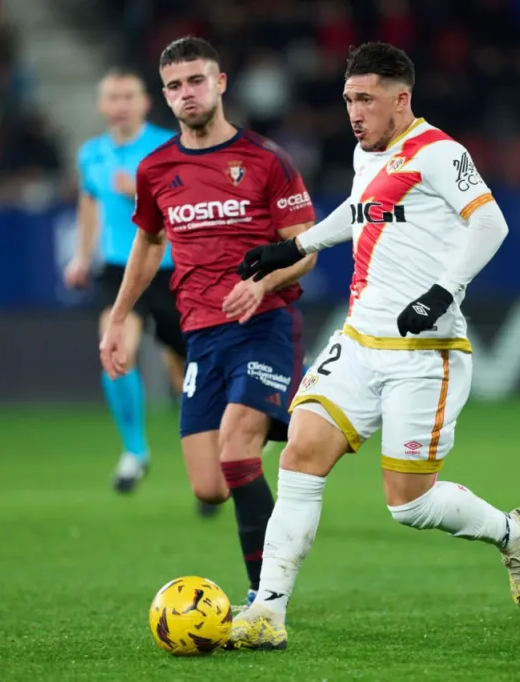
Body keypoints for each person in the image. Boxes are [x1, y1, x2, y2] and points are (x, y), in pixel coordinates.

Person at [227, 42, 520, 650]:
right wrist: (296, 248)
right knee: (299, 456)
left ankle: (511, 532)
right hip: (359, 338)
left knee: (408, 504)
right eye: (349, 99)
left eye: (366, 99)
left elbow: (490, 222)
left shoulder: (440, 153)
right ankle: (268, 610)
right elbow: (360, 209)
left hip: (427, 352)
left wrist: (443, 292)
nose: (354, 112)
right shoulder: (364, 152)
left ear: (401, 99)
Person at [99, 36, 317, 606]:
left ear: (220, 83)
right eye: (174, 85)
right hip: (201, 334)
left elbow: (308, 249)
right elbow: (146, 245)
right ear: (164, 97)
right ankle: (277, 424)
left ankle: (265, 601)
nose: (185, 93)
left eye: (196, 80)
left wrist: (262, 282)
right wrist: (118, 317)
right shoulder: (156, 168)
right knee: (210, 486)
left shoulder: (267, 159)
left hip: (265, 322)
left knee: (238, 452)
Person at [65, 68, 189, 497]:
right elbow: (88, 201)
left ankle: (211, 459)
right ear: (102, 106)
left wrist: (140, 193)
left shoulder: (167, 146)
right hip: (122, 267)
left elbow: (189, 204)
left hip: (172, 266)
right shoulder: (91, 155)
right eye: (112, 97)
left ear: (144, 103)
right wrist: (83, 255)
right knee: (115, 349)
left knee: (186, 373)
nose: (120, 104)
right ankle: (135, 452)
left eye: (128, 96)